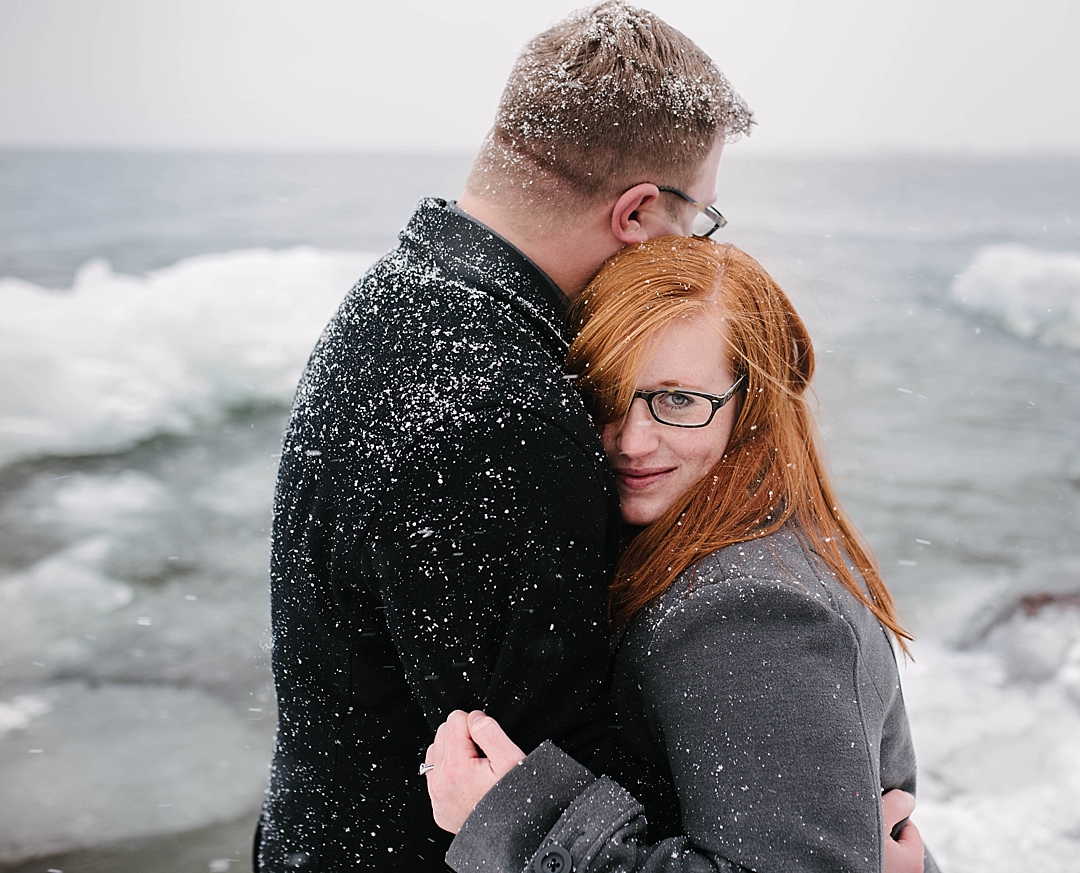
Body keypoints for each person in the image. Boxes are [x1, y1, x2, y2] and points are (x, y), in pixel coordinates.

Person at [255, 3, 752, 870]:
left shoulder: (400, 293)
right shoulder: (497, 409)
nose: (695, 246)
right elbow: (548, 766)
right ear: (637, 213)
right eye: (698, 218)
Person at [424, 236, 939, 873]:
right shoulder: (710, 539)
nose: (633, 441)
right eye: (608, 392)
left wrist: (519, 822)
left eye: (679, 400)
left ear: (750, 407)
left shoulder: (752, 609)